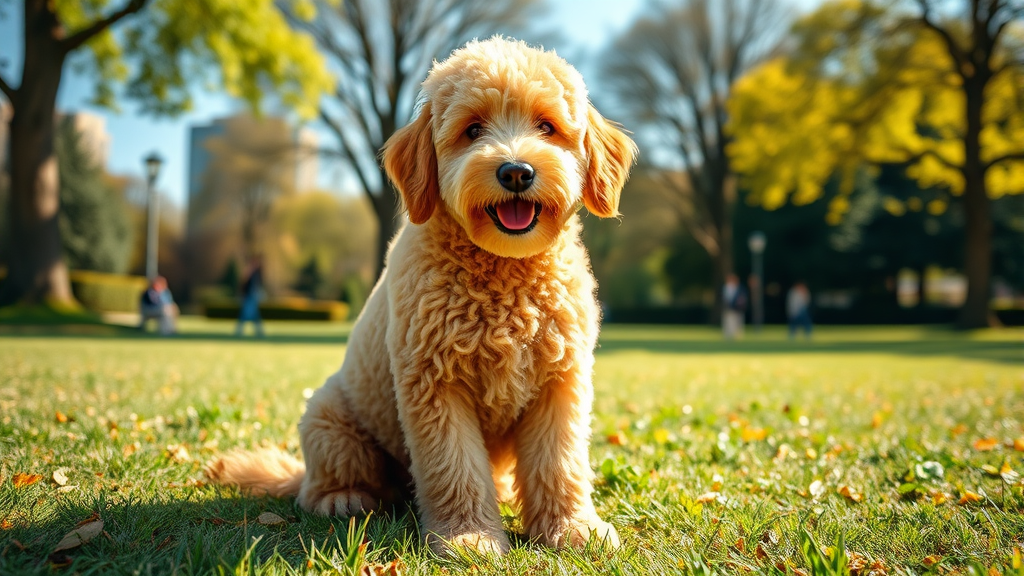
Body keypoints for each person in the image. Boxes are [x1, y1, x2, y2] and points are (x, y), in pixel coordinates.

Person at [236, 257, 265, 337]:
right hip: (249, 296)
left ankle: (258, 331)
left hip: (253, 296)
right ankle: (240, 330)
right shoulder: (249, 273)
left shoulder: (257, 273)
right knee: (246, 314)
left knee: (252, 315)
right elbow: (243, 284)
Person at [722, 273, 747, 340]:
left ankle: (738, 335)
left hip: (737, 309)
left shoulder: (740, 288)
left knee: (738, 322)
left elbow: (743, 298)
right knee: (728, 322)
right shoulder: (725, 288)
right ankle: (728, 335)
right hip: (728, 308)